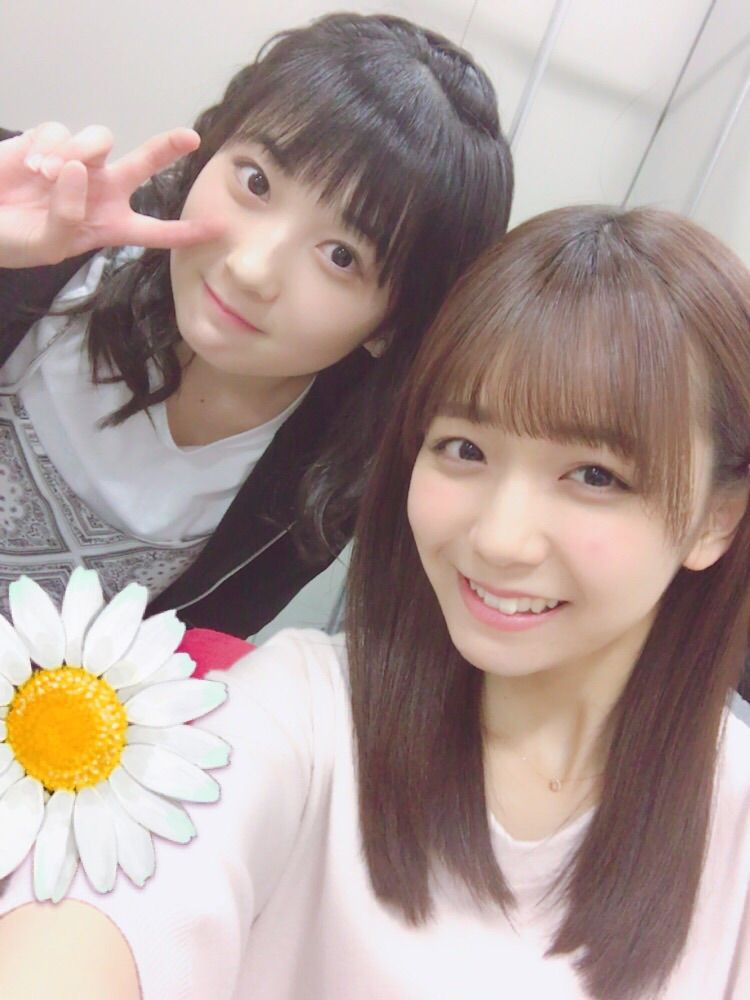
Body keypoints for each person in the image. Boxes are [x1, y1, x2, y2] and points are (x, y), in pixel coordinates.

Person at [1, 204, 748, 1000]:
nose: (500, 539)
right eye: (464, 448)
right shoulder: (300, 713)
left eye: (595, 475)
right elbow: (101, 920)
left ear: (717, 517)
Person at [0, 12, 513, 636]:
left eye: (341, 256)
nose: (250, 269)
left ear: (393, 325)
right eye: (256, 181)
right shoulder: (38, 227)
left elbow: (179, 659)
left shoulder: (328, 479)